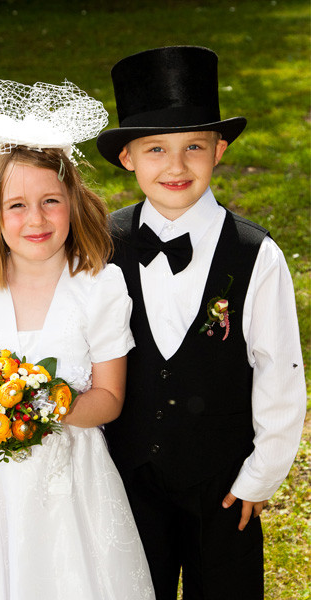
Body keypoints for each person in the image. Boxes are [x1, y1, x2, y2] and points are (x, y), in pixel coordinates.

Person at [0, 80, 155, 599]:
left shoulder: (98, 287)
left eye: (50, 201)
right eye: (16, 205)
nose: (36, 219)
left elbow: (109, 400)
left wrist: (41, 404)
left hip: (74, 483)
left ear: (73, 201)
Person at [96, 46, 306, 600]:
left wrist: (260, 475)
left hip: (224, 486)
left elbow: (279, 369)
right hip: (127, 480)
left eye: (193, 147)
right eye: (156, 149)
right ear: (128, 159)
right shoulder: (101, 246)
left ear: (220, 150)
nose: (175, 166)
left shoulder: (256, 255)